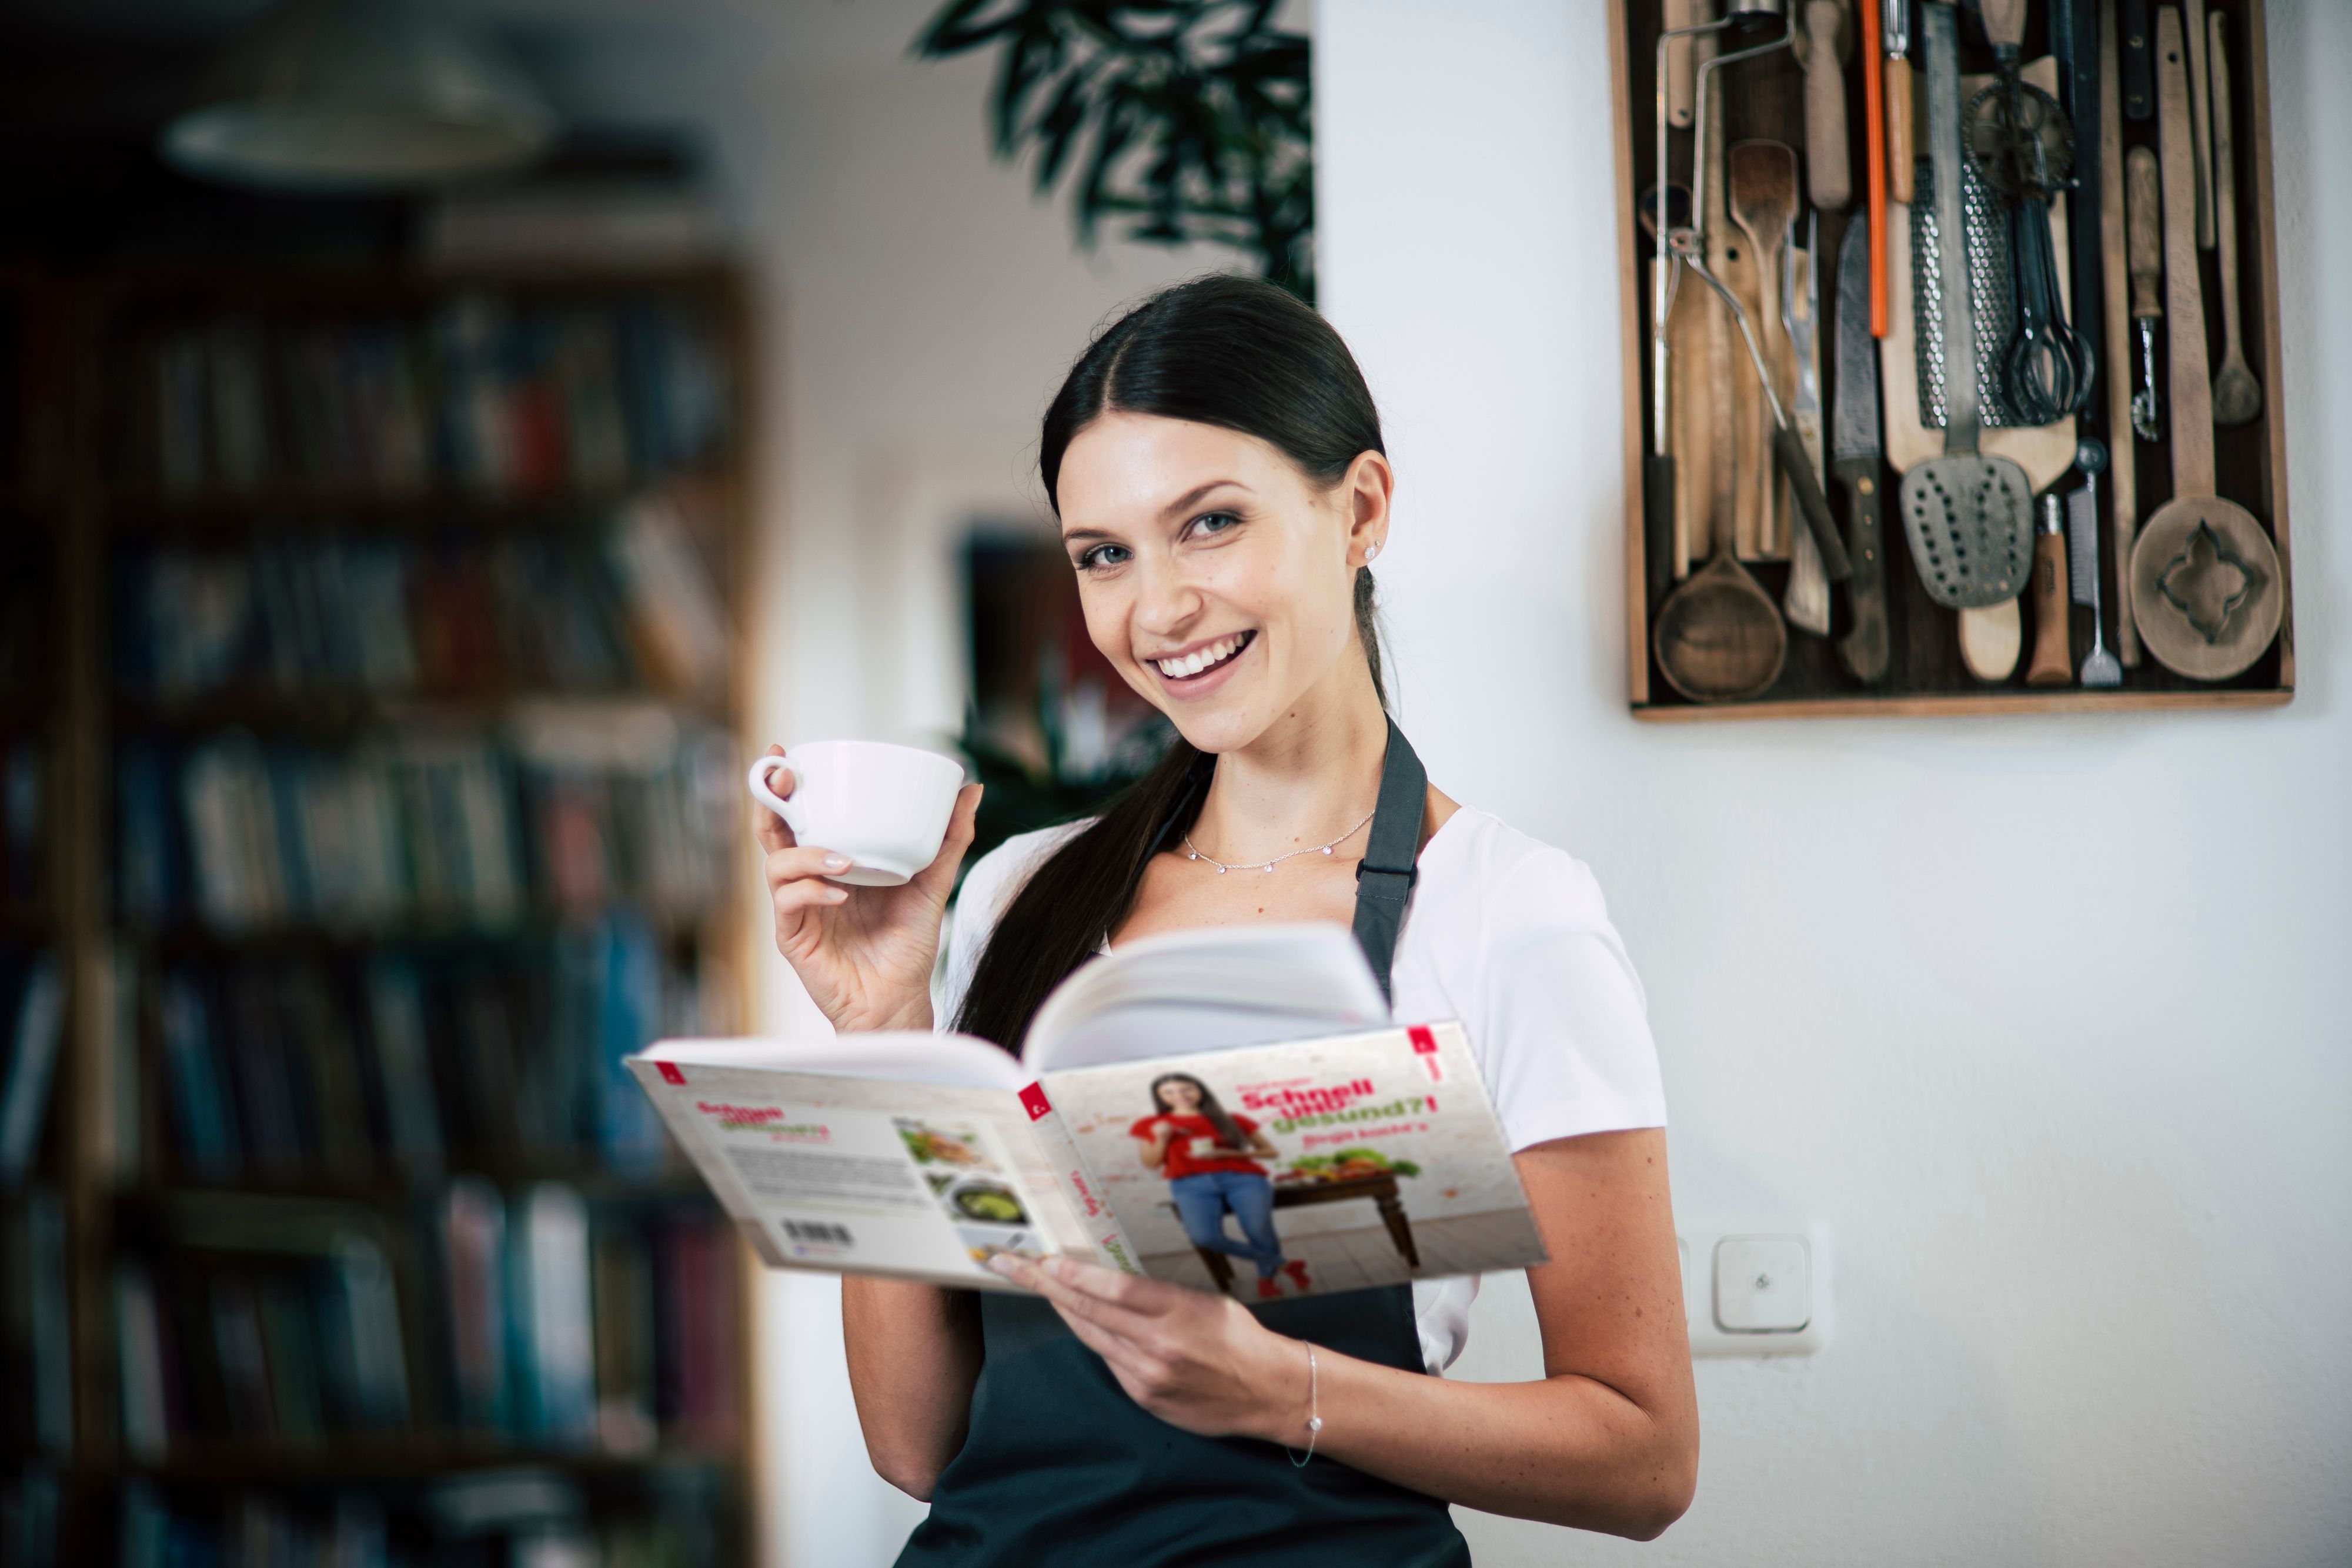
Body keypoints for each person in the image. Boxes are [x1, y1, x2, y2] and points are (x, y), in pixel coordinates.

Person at [754, 273, 1698, 1564]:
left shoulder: (1502, 913)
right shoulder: (1020, 895)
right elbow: (919, 1445)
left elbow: (1641, 1458)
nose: (1155, 611)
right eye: (1104, 554)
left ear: (1359, 508)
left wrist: (1281, 1389)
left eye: (1208, 523)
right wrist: (881, 1031)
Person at [1133, 1072, 1304, 1300]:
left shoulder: (1231, 1119)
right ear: (1160, 1097)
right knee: (1204, 1237)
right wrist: (1162, 1138)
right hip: (1190, 1185)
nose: (1180, 1095)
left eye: (1187, 1089)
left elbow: (1271, 1152)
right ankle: (1284, 1264)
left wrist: (1227, 1153)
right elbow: (1150, 1163)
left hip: (1243, 1180)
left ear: (1200, 1090)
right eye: (1169, 1092)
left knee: (1258, 1230)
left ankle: (1267, 1279)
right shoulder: (1151, 1125)